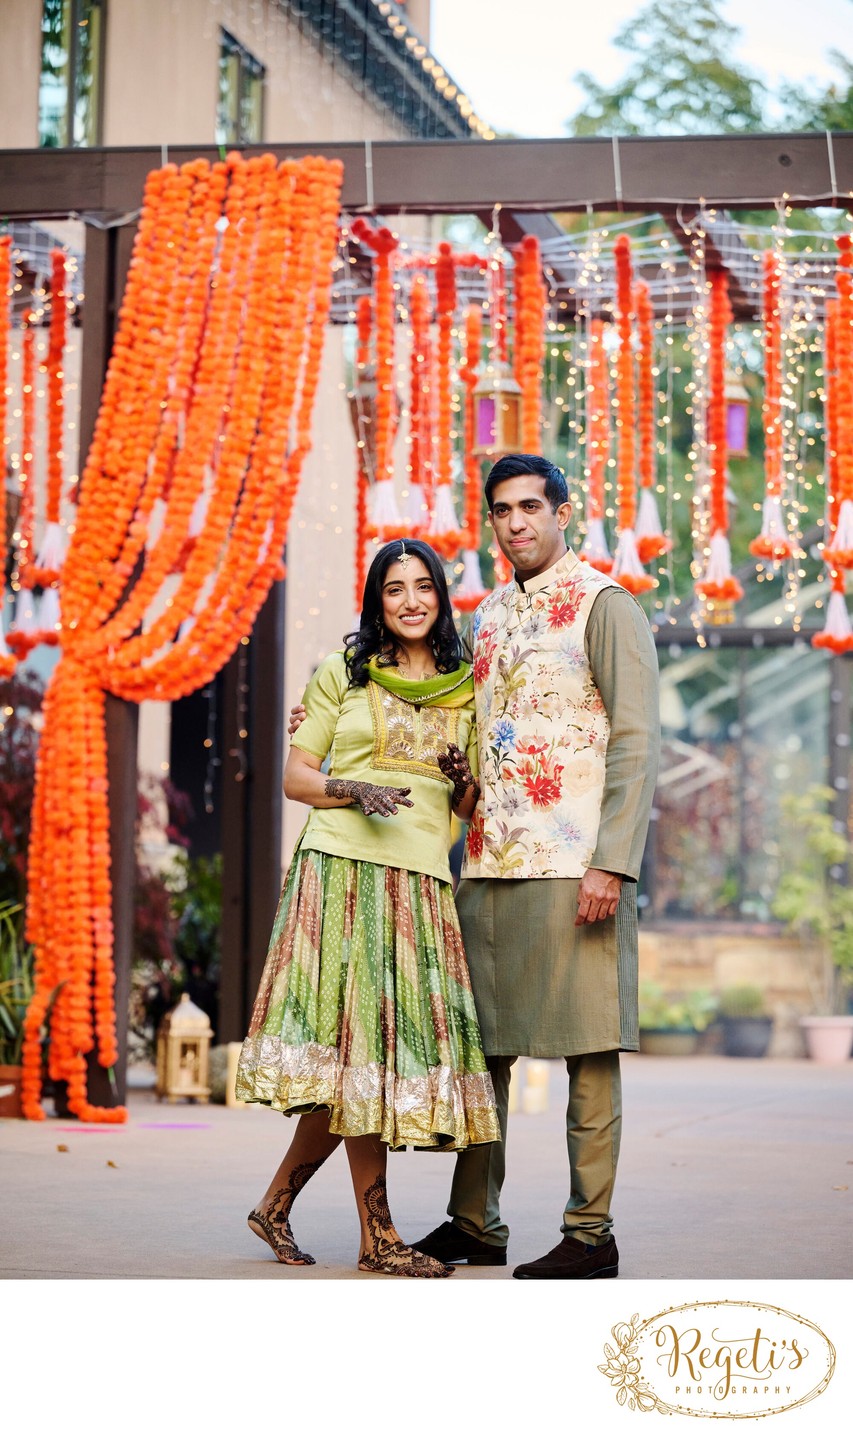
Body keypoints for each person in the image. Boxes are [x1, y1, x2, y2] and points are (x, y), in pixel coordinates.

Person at [409, 453, 661, 1279]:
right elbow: (491, 740)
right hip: (488, 863)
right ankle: (474, 1221)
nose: (514, 522)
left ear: (561, 512)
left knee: (587, 1049)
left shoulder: (604, 603)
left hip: (574, 865)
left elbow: (633, 740)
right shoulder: (488, 617)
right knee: (485, 1050)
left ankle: (591, 1233)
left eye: (529, 507)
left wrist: (611, 866)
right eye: (500, 511)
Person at [236, 537, 500, 1278]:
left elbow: (470, 805)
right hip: (341, 871)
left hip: (417, 878)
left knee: (367, 1062)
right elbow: (296, 774)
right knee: (358, 1060)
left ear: (442, 597)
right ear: (375, 599)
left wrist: (461, 778)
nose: (410, 600)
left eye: (423, 586)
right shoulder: (343, 671)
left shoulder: (463, 683)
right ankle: (377, 1236)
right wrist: (354, 788)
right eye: (394, 588)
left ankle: (275, 1206)